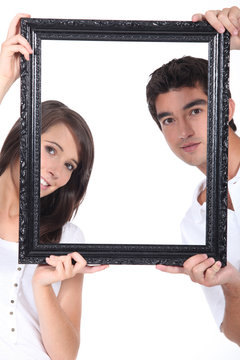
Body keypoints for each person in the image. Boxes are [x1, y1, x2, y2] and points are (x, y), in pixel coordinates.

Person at [0, 13, 108, 360]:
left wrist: (42, 286)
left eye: (69, 166)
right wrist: (4, 77)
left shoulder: (68, 239)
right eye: (50, 149)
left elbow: (65, 355)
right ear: (21, 139)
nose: (57, 172)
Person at [146, 6, 240, 346]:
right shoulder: (194, 224)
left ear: (226, 109)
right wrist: (233, 286)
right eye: (168, 120)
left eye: (195, 110)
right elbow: (234, 333)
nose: (184, 130)